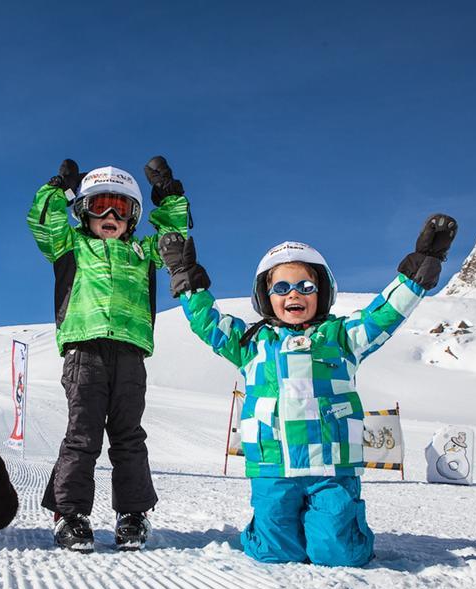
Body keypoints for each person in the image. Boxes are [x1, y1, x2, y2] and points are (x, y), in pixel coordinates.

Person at [159, 215, 458, 566]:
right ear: (265, 297)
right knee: (274, 552)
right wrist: (186, 279)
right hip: (273, 466)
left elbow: (384, 315)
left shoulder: (343, 339)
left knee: (337, 553)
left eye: (305, 286)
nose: (294, 295)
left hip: (330, 467)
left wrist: (421, 269)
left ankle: (343, 533)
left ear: (322, 292)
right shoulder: (250, 344)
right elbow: (207, 323)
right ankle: (272, 530)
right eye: (282, 288)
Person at [26, 157, 190, 552]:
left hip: (130, 352)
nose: (111, 215)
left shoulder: (141, 251)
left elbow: (175, 238)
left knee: (128, 435)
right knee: (82, 434)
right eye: (100, 206)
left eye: (120, 206)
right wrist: (59, 186)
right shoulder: (71, 246)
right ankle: (70, 514)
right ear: (84, 212)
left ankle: (133, 514)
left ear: (134, 215)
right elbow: (42, 220)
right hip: (85, 349)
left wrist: (169, 196)